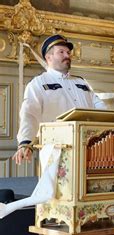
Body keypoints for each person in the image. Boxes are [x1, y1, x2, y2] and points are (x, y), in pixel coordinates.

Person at [13, 34, 106, 165]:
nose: (67, 55)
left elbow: (100, 107)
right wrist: (25, 142)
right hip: (56, 150)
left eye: (68, 52)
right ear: (48, 57)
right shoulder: (38, 83)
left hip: (88, 147)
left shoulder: (81, 82)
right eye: (61, 52)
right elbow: (29, 114)